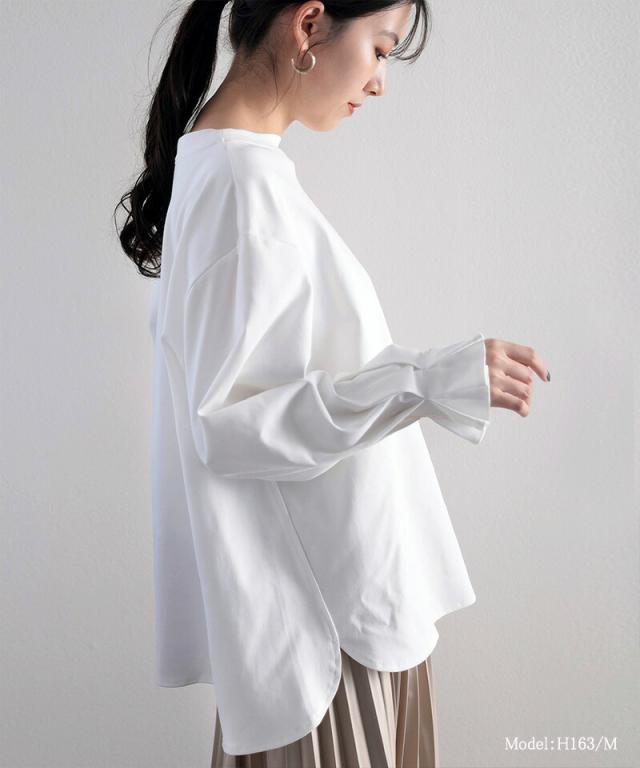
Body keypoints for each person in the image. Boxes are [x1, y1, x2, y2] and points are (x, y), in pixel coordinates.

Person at [114, 1, 550, 765]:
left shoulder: (238, 170)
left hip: (338, 619)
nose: (380, 83)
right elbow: (231, 424)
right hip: (327, 645)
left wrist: (423, 381)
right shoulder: (238, 185)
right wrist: (424, 379)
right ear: (309, 24)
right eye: (381, 49)